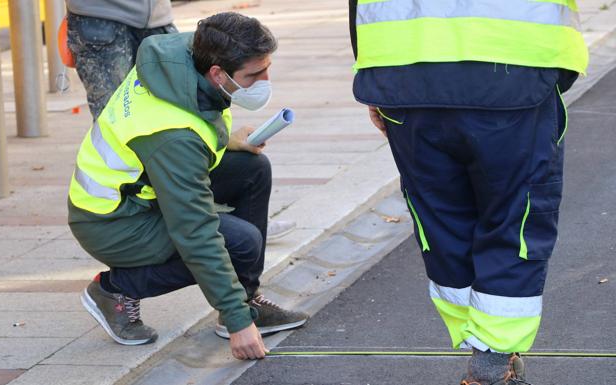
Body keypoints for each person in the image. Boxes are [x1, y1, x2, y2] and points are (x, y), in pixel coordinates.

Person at [349, 1, 588, 384]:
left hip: (403, 77)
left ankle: (487, 354)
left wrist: (374, 76)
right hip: (515, 71)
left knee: (441, 221)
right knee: (516, 218)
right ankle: (492, 362)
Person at [67, 12, 308, 360]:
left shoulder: (186, 56)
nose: (265, 80)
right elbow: (194, 231)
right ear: (217, 74)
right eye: (254, 74)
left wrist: (226, 141)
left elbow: (198, 120)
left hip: (140, 191)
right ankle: (113, 290)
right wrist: (241, 327)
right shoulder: (172, 138)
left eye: (266, 68)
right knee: (240, 243)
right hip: (111, 221)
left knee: (252, 169)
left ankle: (246, 301)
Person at [65, 0, 297, 241]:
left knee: (195, 95)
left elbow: (190, 115)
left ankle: (220, 228)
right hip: (101, 17)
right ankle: (138, 242)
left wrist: (226, 139)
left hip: (155, 17)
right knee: (124, 123)